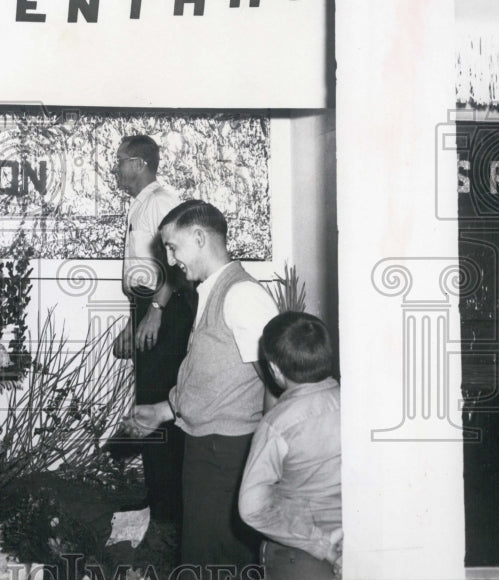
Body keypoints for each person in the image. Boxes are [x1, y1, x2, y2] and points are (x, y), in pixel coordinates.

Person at [125, 199, 279, 573]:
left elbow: (277, 382)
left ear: (198, 238)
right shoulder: (210, 291)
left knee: (214, 562)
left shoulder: (242, 295)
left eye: (173, 248)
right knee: (199, 558)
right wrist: (165, 410)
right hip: (207, 449)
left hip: (227, 454)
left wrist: (265, 463)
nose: (172, 259)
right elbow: (214, 376)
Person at [110, 134, 196, 524]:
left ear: (140, 163)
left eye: (120, 161)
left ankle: (168, 511)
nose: (116, 168)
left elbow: (178, 267)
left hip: (166, 306)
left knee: (159, 403)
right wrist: (136, 319)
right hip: (148, 306)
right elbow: (145, 271)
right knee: (148, 399)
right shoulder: (142, 204)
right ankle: (158, 500)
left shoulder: (161, 202)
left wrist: (157, 310)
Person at [239, 311, 342, 579]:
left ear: (274, 369)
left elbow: (252, 508)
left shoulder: (277, 424)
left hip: (302, 556)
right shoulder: (357, 405)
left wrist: (323, 546)